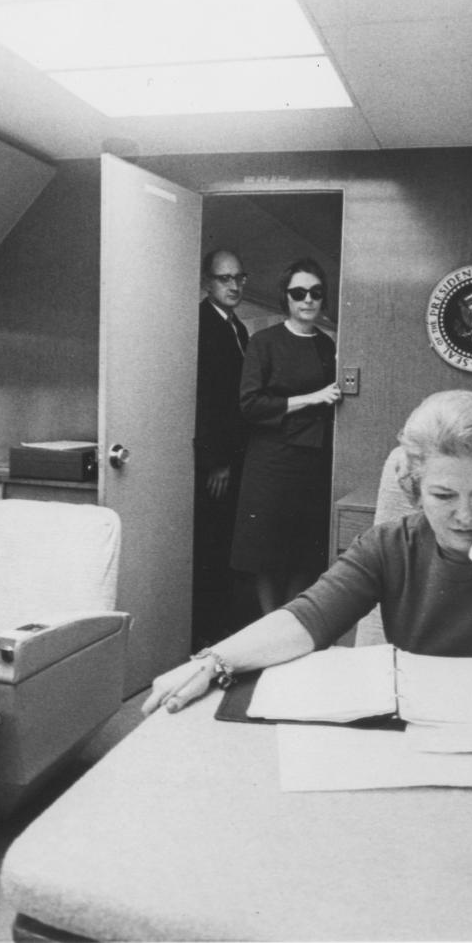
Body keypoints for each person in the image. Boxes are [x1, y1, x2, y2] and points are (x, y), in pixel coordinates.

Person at [144, 389, 472, 716]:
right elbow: (309, 618)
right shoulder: (391, 545)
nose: (464, 515)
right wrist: (214, 661)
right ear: (414, 490)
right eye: (443, 495)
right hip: (415, 726)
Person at [230, 258, 341, 614]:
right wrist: (311, 398)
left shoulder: (327, 346)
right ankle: (268, 622)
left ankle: (290, 622)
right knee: (266, 552)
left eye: (315, 293)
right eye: (299, 293)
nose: (308, 300)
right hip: (272, 462)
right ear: (286, 298)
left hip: (313, 462)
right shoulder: (264, 343)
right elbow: (250, 405)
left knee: (304, 552)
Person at [192, 250, 252, 648]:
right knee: (211, 546)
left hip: (234, 455)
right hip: (216, 462)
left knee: (227, 543)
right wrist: (218, 462)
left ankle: (222, 629)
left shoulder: (237, 328)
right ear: (207, 283)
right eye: (223, 278)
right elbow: (207, 399)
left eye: (238, 277)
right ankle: (207, 634)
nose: (233, 285)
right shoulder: (202, 325)